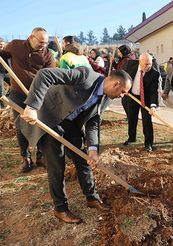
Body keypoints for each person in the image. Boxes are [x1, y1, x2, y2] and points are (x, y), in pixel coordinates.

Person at [18, 67, 132, 224]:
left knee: (83, 158)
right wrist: (32, 107)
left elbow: (93, 122)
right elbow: (45, 74)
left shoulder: (106, 98)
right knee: (57, 166)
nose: (122, 96)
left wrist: (93, 149)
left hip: (70, 122)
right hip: (50, 118)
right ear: (116, 84)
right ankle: (60, 209)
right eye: (123, 92)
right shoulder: (85, 76)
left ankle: (92, 198)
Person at [0, 27, 55, 172]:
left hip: (38, 95)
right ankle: (26, 158)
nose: (43, 45)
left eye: (45, 43)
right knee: (20, 126)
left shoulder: (48, 55)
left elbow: (51, 77)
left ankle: (41, 156)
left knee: (40, 124)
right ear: (31, 37)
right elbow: (2, 56)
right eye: (41, 42)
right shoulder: (15, 45)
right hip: (17, 93)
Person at [122, 52, 160, 151]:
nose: (149, 66)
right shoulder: (130, 65)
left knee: (147, 121)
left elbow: (153, 92)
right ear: (140, 62)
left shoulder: (154, 73)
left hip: (145, 98)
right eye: (146, 64)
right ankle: (131, 138)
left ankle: (148, 143)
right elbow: (123, 76)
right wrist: (124, 88)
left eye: (150, 63)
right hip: (132, 96)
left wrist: (153, 106)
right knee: (131, 118)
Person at [0, 37, 8, 108]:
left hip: (8, 72)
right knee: (1, 89)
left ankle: (9, 98)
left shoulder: (7, 51)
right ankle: (2, 106)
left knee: (15, 86)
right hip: (0, 73)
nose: (1, 46)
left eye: (2, 44)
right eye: (0, 45)